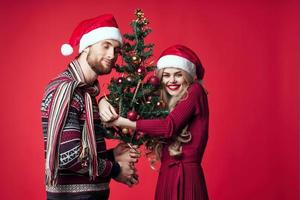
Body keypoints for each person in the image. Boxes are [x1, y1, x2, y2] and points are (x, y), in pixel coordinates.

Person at [41, 14, 140, 200]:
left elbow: (81, 152)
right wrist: (116, 169)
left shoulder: (86, 93)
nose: (112, 55)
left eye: (116, 49)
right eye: (106, 45)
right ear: (87, 47)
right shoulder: (66, 90)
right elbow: (69, 157)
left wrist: (111, 155)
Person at [99, 44, 209, 200]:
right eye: (166, 75)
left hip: (186, 175)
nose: (172, 80)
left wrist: (121, 122)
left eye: (178, 74)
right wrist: (103, 101)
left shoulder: (195, 91)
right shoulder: (164, 99)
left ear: (187, 75)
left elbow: (168, 126)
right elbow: (129, 100)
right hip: (166, 174)